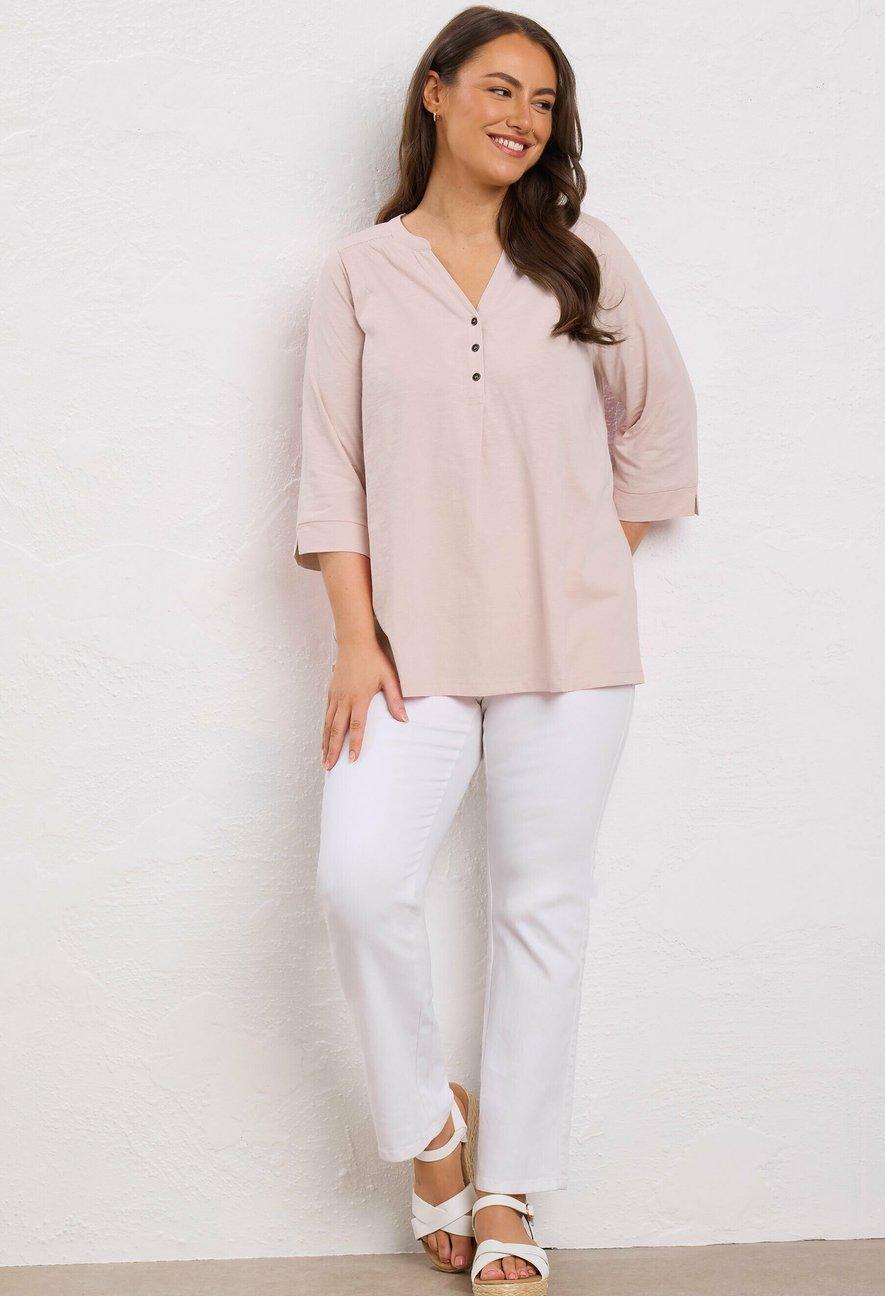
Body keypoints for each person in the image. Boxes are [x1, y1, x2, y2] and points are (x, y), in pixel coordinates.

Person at [292, 8, 699, 1292]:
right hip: (407, 651)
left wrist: (588, 561)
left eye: (543, 101)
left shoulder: (584, 255)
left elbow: (661, 423)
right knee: (360, 881)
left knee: (540, 910)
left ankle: (511, 1187)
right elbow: (332, 468)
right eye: (500, 89)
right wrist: (353, 639)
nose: (522, 118)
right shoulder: (359, 273)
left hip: (571, 647)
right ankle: (434, 1134)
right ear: (437, 93)